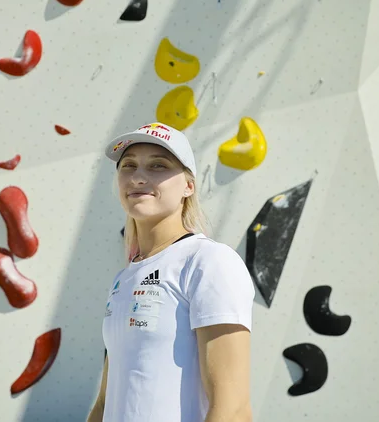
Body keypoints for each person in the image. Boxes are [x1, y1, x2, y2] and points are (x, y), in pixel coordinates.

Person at [87, 123, 255, 422]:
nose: (138, 177)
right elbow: (104, 401)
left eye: (157, 166)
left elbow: (233, 409)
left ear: (188, 186)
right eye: (128, 166)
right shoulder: (124, 278)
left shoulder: (207, 261)